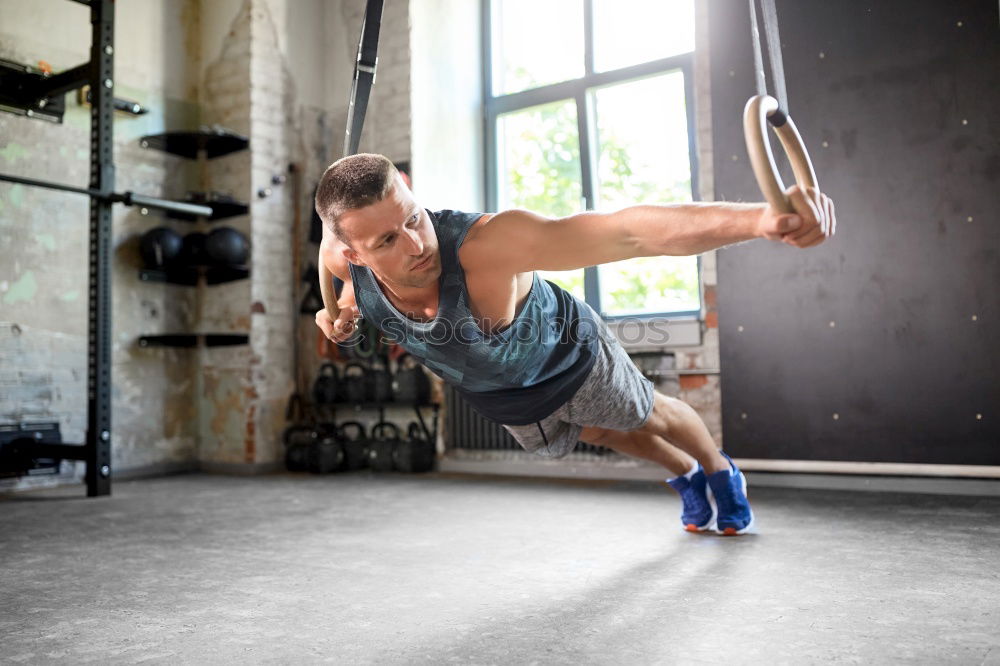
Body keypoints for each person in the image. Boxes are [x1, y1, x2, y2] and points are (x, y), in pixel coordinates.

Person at [313, 153, 836, 536]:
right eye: (385, 241)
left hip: (570, 355)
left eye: (413, 216)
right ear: (353, 254)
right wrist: (335, 313)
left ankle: (721, 472)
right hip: (502, 394)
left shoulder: (490, 245)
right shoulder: (344, 265)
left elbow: (627, 233)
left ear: (411, 192)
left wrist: (761, 221)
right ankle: (686, 474)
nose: (416, 243)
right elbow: (329, 263)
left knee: (646, 415)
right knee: (602, 434)